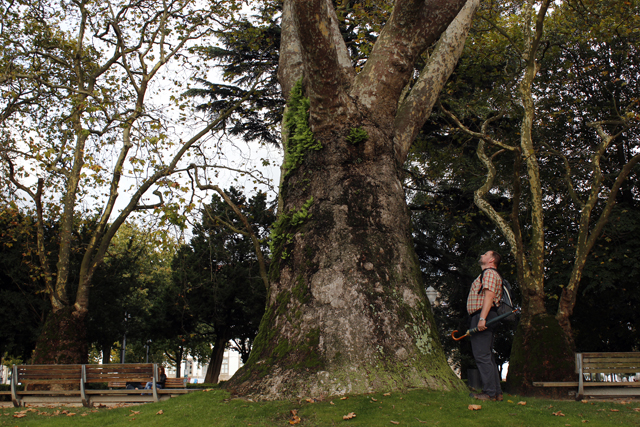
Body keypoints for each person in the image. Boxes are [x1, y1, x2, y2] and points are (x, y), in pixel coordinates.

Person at [467, 250, 503, 401]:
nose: (482, 255)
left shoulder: (489, 273)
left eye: (486, 254)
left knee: (482, 355)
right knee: (487, 356)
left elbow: (489, 296)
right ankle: (496, 393)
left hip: (484, 316)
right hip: (487, 315)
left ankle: (489, 393)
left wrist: (482, 319)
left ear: (491, 260)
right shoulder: (489, 273)